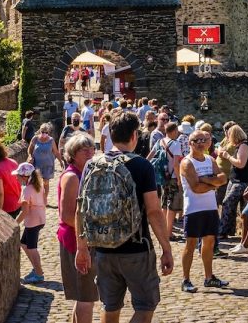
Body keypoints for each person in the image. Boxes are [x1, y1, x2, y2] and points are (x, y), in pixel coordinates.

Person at [74, 111, 175, 323]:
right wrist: (166, 248)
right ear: (134, 135)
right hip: (136, 248)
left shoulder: (92, 164)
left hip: (102, 248)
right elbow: (154, 211)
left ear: (111, 135)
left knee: (110, 306)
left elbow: (80, 209)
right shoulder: (142, 165)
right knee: (145, 307)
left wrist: (81, 248)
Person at [179, 129, 229, 292]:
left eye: (203, 140)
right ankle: (185, 280)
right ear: (190, 143)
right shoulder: (187, 163)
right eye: (197, 140)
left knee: (209, 243)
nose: (201, 143)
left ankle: (209, 277)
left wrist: (205, 180)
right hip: (193, 209)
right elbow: (196, 188)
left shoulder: (210, 159)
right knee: (191, 244)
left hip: (210, 208)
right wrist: (213, 184)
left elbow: (223, 179)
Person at [58, 132, 99, 323]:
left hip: (81, 238)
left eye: (92, 148)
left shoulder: (85, 173)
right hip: (76, 240)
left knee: (83, 296)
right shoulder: (72, 177)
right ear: (73, 154)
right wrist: (92, 230)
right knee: (87, 298)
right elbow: (67, 215)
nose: (90, 153)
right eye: (84, 150)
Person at [218, 124, 248, 240]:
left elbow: (240, 164)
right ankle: (228, 231)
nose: (228, 138)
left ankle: (224, 231)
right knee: (231, 205)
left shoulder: (244, 146)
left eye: (229, 135)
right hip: (234, 180)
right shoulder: (240, 146)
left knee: (228, 203)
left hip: (241, 181)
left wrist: (228, 156)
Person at [16, 162, 47, 283]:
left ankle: (39, 274)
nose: (16, 177)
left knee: (32, 248)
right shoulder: (38, 185)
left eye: (18, 175)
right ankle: (36, 268)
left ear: (24, 177)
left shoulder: (26, 190)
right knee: (24, 244)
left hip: (32, 221)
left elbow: (24, 211)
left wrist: (14, 223)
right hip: (40, 218)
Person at [159, 121, 185, 238]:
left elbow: (152, 155)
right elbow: (175, 163)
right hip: (173, 177)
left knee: (164, 203)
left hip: (164, 176)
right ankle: (168, 233)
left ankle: (163, 230)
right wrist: (179, 179)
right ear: (174, 131)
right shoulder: (175, 144)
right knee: (172, 206)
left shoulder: (161, 141)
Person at [28, 122, 60, 205]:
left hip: (48, 165)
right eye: (42, 132)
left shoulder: (51, 140)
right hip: (36, 165)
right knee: (36, 182)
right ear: (40, 131)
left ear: (48, 132)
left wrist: (61, 161)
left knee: (46, 183)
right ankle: (35, 199)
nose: (44, 134)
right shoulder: (35, 139)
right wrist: (30, 156)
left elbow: (56, 152)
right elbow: (30, 149)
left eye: (46, 132)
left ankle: (44, 200)